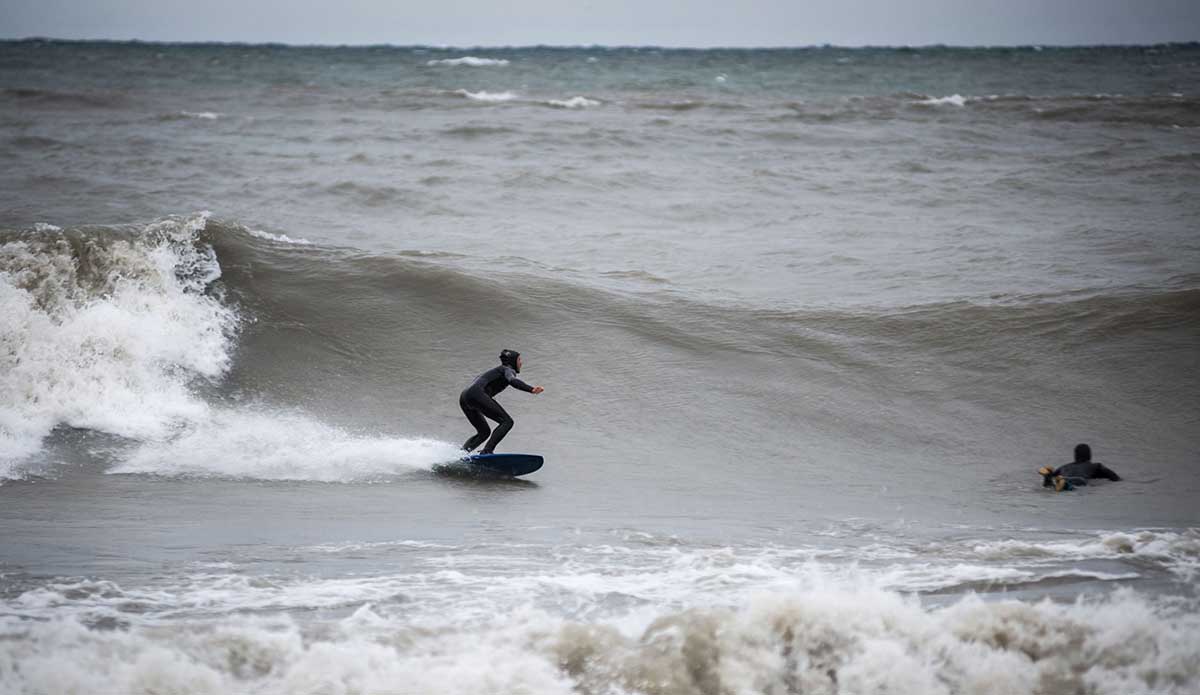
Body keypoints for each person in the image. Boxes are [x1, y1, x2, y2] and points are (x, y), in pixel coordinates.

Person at [459, 349, 544, 455]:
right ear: (513, 361)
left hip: (465, 397)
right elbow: (512, 381)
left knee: (484, 432)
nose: (521, 363)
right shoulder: (507, 369)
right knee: (507, 422)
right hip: (477, 394)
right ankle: (487, 451)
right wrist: (531, 389)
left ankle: (460, 455)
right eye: (519, 360)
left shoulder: (495, 371)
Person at [1039, 444, 1121, 491]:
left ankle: (1047, 478)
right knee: (1079, 483)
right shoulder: (1096, 466)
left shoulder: (1063, 467)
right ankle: (1063, 483)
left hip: (1062, 478)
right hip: (1078, 480)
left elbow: (1055, 476)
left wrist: (1051, 475)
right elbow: (1115, 478)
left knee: (1053, 483)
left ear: (1075, 455)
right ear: (1089, 455)